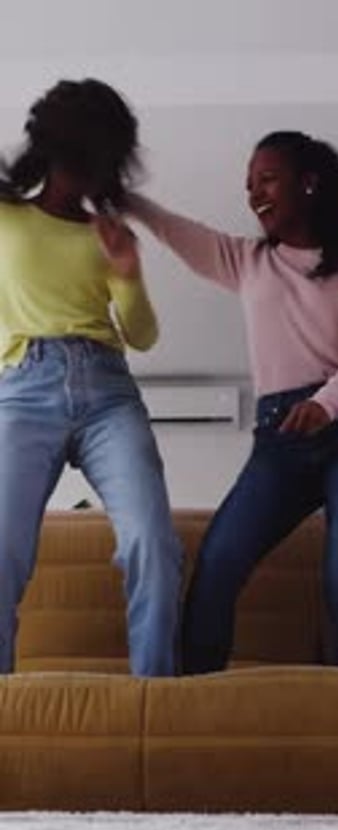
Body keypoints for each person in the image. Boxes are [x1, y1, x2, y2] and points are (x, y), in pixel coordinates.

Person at [127, 130, 338, 674]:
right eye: (249, 184)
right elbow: (175, 230)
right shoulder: (248, 261)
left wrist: (327, 404)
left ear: (308, 183)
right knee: (218, 566)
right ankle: (192, 707)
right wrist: (127, 198)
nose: (254, 193)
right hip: (280, 438)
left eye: (267, 178)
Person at [0, 78, 182, 676]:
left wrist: (127, 269)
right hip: (23, 389)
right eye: (80, 160)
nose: (88, 177)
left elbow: (142, 334)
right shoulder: (6, 217)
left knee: (153, 542)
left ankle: (154, 700)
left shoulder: (108, 235)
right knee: (2, 553)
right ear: (52, 150)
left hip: (108, 391)